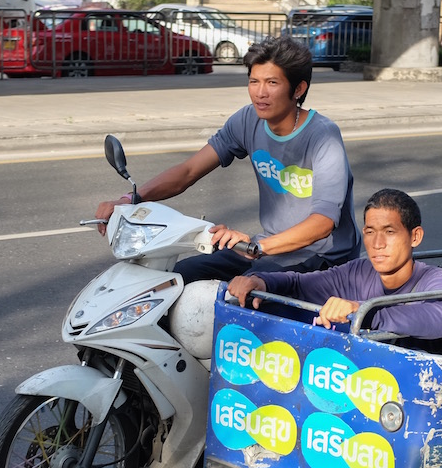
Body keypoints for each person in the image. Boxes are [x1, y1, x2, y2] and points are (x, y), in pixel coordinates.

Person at [94, 35, 361, 284]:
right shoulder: (247, 120)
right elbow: (188, 171)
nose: (260, 93)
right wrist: (130, 199)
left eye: (272, 83)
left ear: (298, 89)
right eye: (254, 81)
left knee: (241, 293)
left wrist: (257, 247)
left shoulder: (323, 136)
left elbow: (322, 223)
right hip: (267, 248)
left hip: (322, 257)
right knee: (174, 280)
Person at [227, 188, 442, 353]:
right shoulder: (359, 271)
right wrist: (259, 281)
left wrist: (363, 310)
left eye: (389, 232)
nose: (377, 243)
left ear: (415, 237)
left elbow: (440, 320)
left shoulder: (435, 279)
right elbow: (300, 284)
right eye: (370, 232)